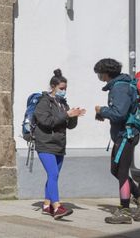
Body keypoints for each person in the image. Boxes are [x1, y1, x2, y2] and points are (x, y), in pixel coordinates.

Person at [94, 58, 140, 224]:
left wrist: (103, 110)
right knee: (115, 170)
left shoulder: (120, 88)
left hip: (126, 136)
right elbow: (120, 112)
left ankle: (125, 211)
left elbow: (119, 113)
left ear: (105, 73)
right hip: (122, 135)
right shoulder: (119, 85)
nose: (99, 76)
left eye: (99, 73)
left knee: (121, 172)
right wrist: (104, 114)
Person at [33, 69, 86, 220]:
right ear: (53, 87)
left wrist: (74, 116)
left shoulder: (63, 103)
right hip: (45, 143)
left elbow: (68, 125)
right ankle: (57, 207)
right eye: (61, 89)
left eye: (65, 89)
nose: (64, 91)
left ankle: (46, 204)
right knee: (53, 174)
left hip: (59, 145)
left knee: (53, 176)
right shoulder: (43, 102)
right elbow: (46, 122)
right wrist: (66, 115)